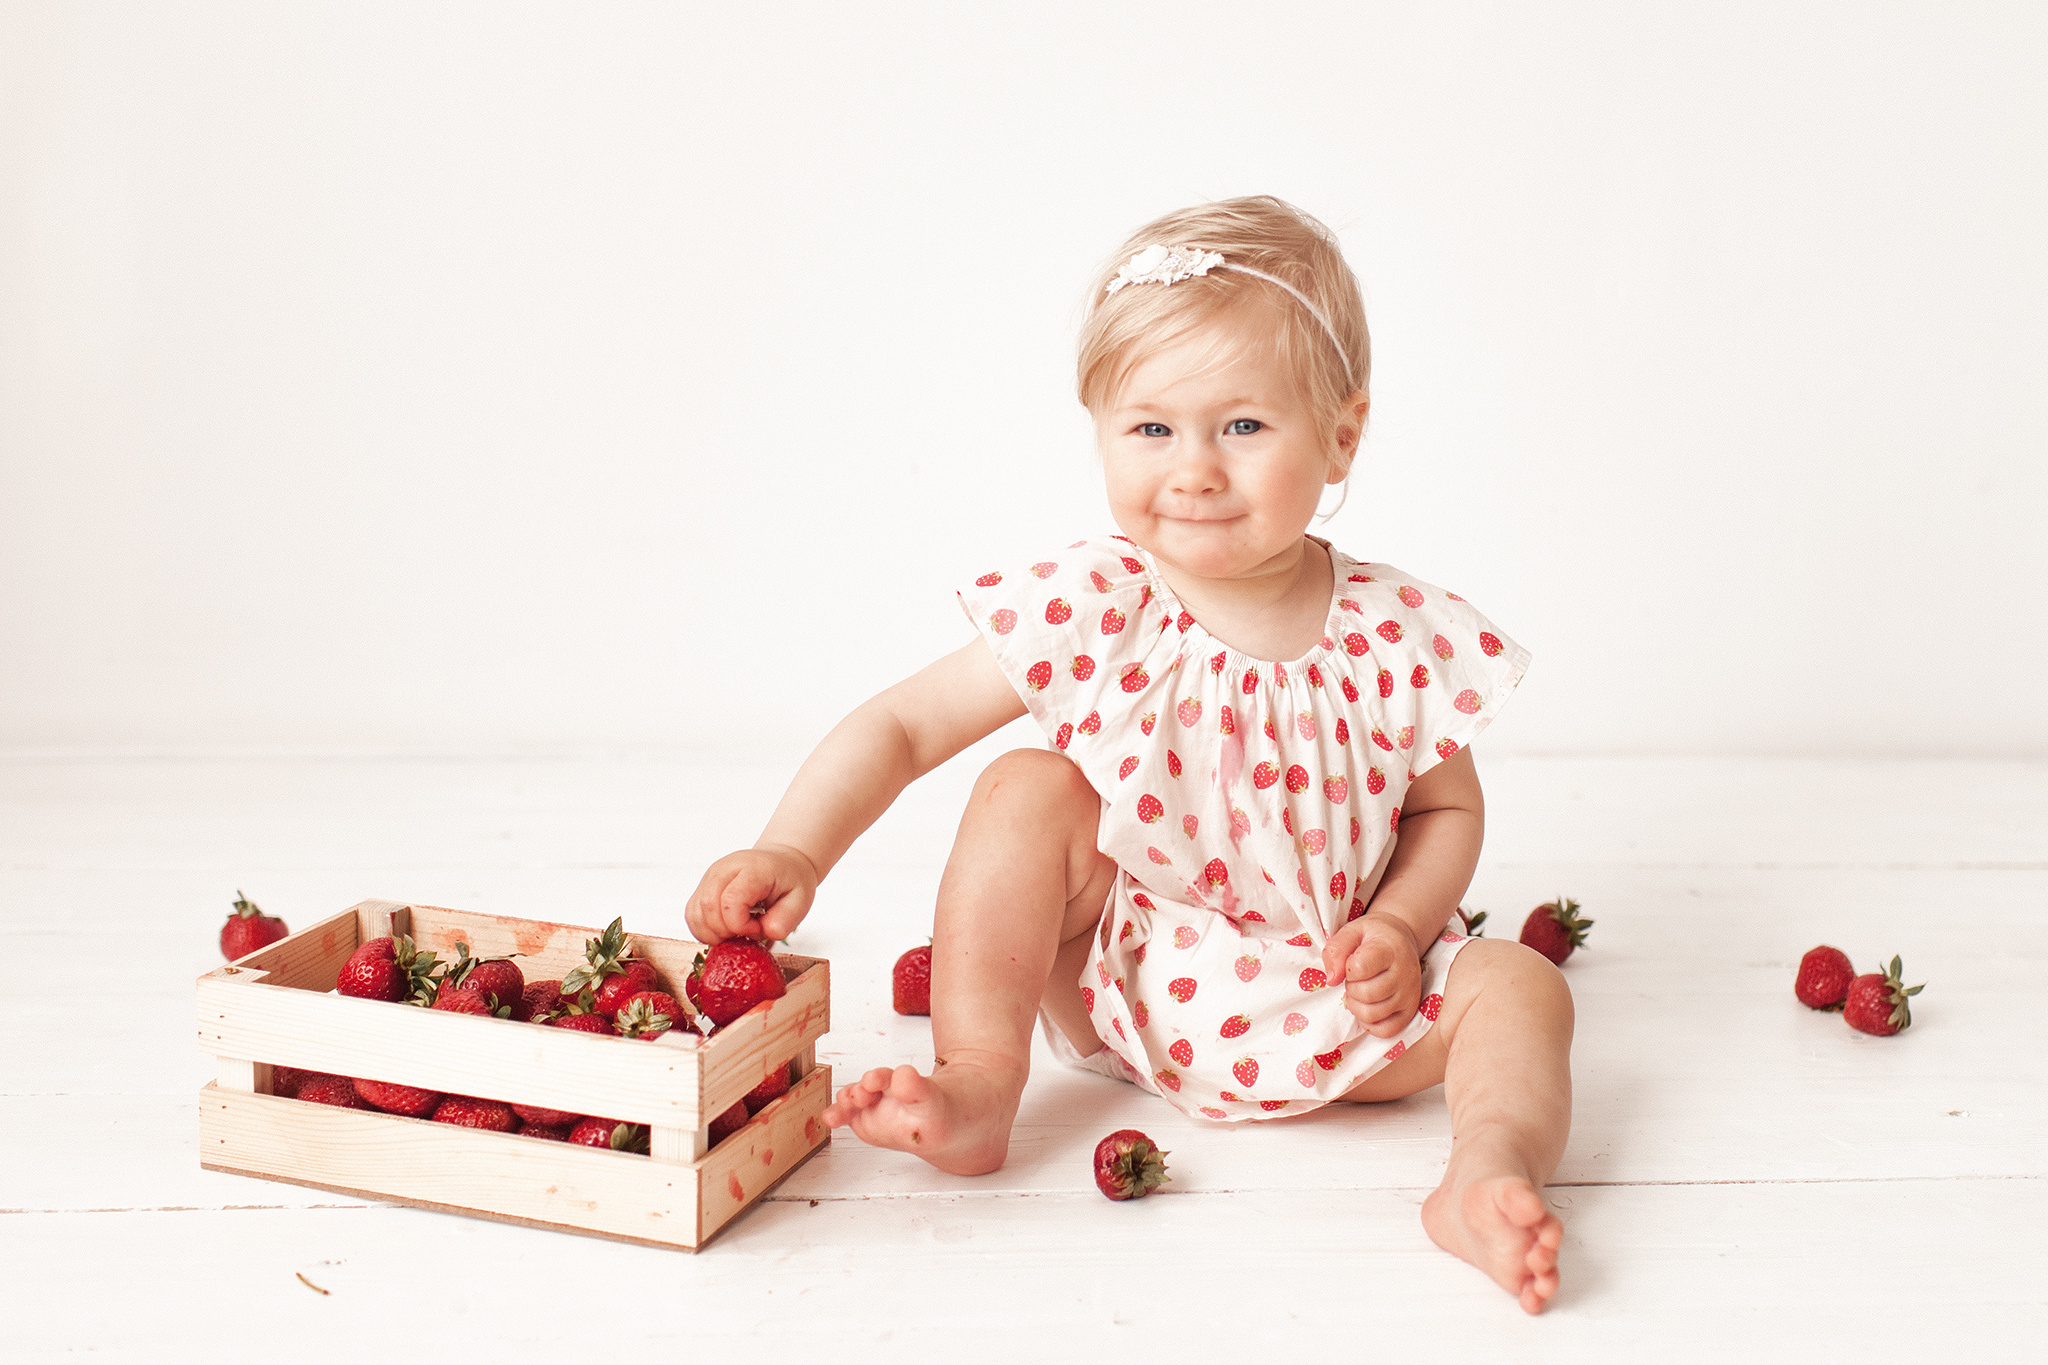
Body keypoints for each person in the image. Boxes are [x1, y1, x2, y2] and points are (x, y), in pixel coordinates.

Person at [685, 196, 1573, 1314]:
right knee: (1026, 785)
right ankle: (977, 1084)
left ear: (1341, 434)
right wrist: (794, 847)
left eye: (1242, 427)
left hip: (1347, 1001)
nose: (1193, 470)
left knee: (1519, 986)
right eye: (1150, 429)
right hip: (1124, 972)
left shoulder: (1394, 635)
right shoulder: (1099, 604)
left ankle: (1484, 1170)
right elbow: (904, 726)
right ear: (1100, 427)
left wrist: (1397, 926)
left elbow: (1444, 813)